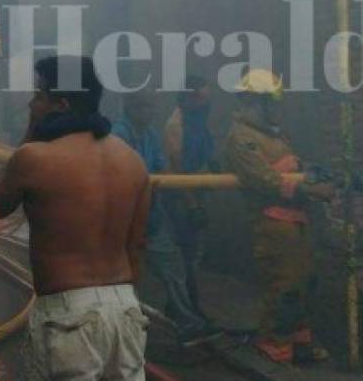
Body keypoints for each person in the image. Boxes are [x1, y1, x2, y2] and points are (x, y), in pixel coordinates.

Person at [0, 56, 151, 381]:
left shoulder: (33, 157)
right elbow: (137, 246)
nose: (32, 103)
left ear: (60, 104)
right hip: (125, 306)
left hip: (68, 312)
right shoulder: (131, 160)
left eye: (39, 95)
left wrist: (31, 132)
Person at [224, 69, 334, 366]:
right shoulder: (242, 138)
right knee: (283, 282)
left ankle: (299, 338)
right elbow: (264, 180)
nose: (274, 109)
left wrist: (310, 172)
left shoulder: (272, 133)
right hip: (272, 221)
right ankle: (275, 343)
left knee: (304, 280)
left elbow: (292, 165)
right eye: (269, 102)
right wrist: (311, 190)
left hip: (296, 219)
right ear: (251, 101)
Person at [113, 91, 221, 347]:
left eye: (150, 107)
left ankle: (187, 322)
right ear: (128, 108)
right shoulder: (118, 136)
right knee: (126, 275)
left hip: (150, 217)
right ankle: (122, 328)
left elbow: (163, 169)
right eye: (141, 107)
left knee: (173, 266)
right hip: (124, 222)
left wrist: (189, 200)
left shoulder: (149, 134)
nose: (147, 112)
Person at [162, 75, 215, 315]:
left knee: (193, 255)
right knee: (186, 257)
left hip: (199, 195)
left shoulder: (199, 121)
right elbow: (177, 169)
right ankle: (187, 309)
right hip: (182, 200)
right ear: (187, 98)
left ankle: (181, 305)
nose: (206, 103)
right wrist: (192, 205)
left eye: (207, 97)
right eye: (200, 98)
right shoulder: (177, 125)